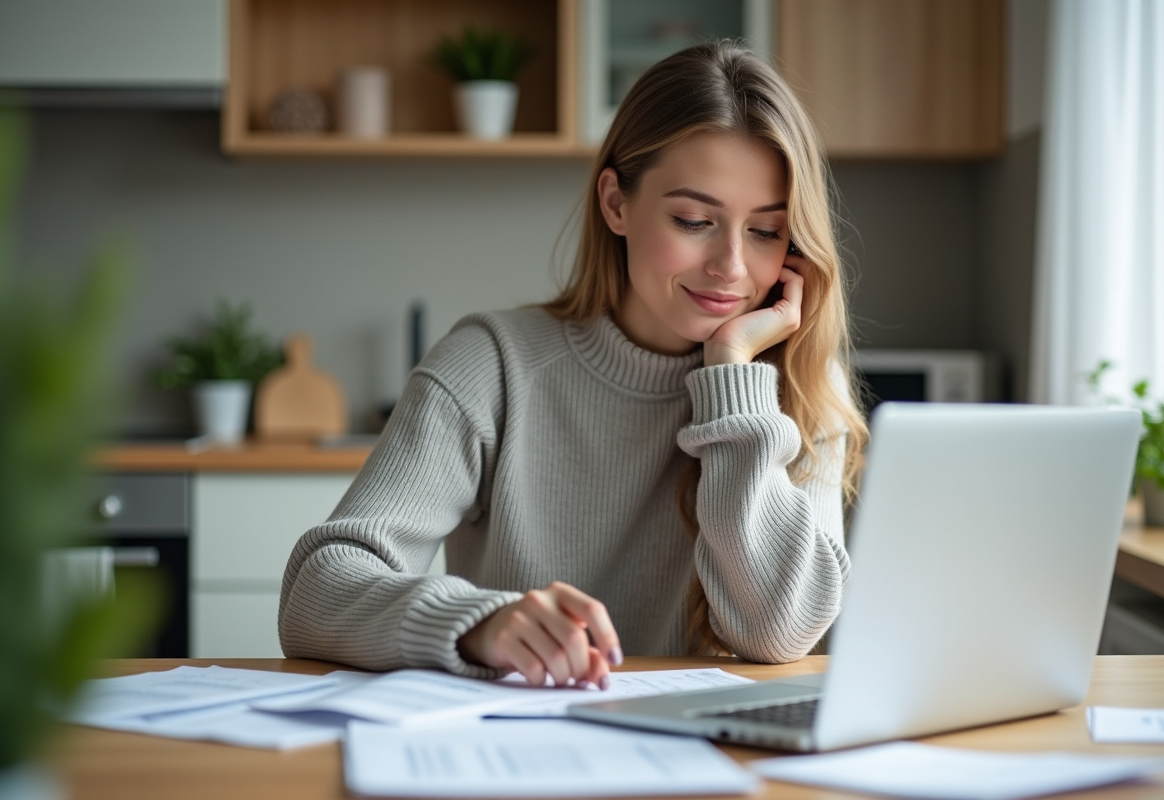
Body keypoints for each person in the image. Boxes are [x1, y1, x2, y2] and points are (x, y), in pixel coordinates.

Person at [279, 41, 868, 691]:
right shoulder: (492, 363)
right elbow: (316, 591)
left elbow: (779, 633)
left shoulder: (801, 389)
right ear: (616, 203)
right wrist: (479, 622)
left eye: (765, 231)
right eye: (695, 220)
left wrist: (729, 374)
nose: (731, 267)